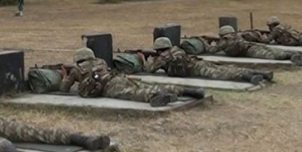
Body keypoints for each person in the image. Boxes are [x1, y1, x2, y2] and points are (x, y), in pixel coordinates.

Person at [65, 48, 206, 107]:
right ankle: (185, 91)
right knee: (143, 86)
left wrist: (64, 75)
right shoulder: (101, 61)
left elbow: (64, 87)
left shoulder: (77, 69)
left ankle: (156, 96)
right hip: (118, 77)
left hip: (109, 87)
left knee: (134, 93)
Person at [142, 37, 272, 85]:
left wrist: (146, 59)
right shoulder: (176, 49)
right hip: (198, 63)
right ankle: (259, 73)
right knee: (225, 68)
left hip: (196, 69)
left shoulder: (164, 56)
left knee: (223, 74)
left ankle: (249, 78)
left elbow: (150, 69)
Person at [205, 26, 302, 66]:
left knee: (273, 56)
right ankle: (301, 55)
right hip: (252, 46)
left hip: (250, 51)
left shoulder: (224, 40)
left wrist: (207, 43)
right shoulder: (236, 36)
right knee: (274, 53)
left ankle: (296, 56)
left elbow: (211, 50)